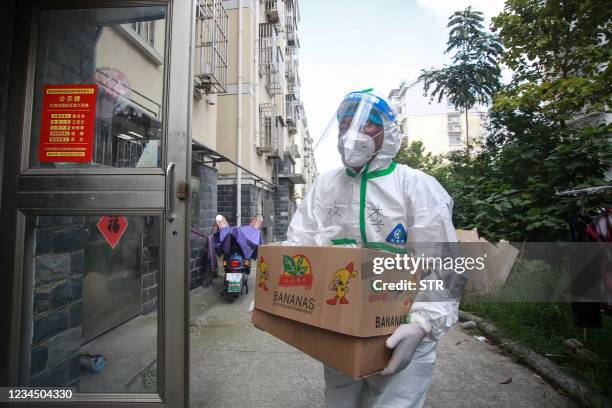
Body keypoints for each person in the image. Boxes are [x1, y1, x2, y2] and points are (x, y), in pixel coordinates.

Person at [286, 89, 459, 407]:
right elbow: (300, 246)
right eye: (345, 124)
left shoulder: (415, 186)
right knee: (340, 402)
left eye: (365, 124)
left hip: (401, 328)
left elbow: (443, 266)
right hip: (340, 326)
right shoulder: (326, 185)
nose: (351, 134)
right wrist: (278, 294)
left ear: (387, 131)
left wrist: (421, 326)